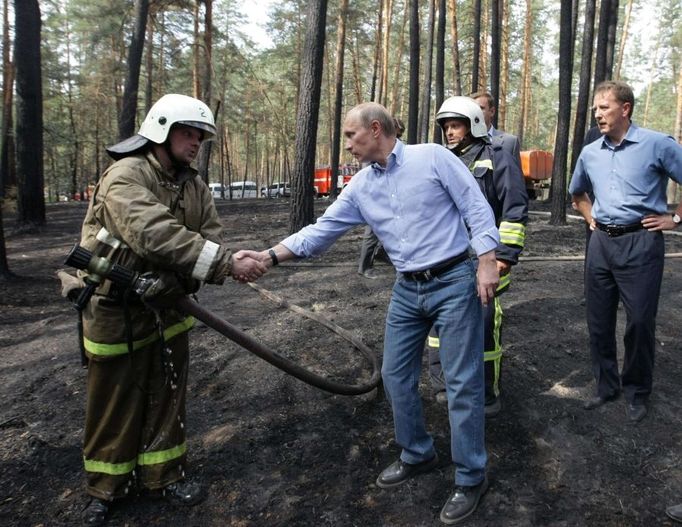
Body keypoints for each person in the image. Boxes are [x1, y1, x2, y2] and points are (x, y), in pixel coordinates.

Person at [244, 102, 500, 525]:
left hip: (455, 280)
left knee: (461, 383)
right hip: (407, 289)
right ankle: (418, 452)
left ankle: (471, 476)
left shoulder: (432, 158)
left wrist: (488, 260)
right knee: (396, 376)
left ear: (375, 129)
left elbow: (475, 206)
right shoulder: (361, 186)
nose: (347, 145)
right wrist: (270, 256)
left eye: (350, 135)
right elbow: (321, 231)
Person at [75, 94, 266, 525]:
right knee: (113, 403)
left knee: (168, 394)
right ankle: (106, 487)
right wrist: (222, 264)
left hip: (168, 307)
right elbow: (152, 232)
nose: (196, 142)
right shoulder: (125, 176)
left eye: (200, 135)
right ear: (160, 129)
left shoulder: (193, 185)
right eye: (187, 132)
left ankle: (165, 475)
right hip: (114, 309)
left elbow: (209, 234)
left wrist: (184, 279)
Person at [569, 80, 682, 424]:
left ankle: (637, 391)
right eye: (595, 109)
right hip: (601, 245)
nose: (598, 114)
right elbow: (578, 193)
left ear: (626, 109)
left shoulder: (657, 145)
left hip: (642, 243)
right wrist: (592, 221)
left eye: (604, 108)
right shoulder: (590, 152)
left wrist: (675, 218)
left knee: (639, 322)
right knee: (599, 320)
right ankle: (606, 386)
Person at [427, 96, 528, 417]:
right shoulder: (441, 160)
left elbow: (514, 209)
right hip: (445, 259)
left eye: (455, 125)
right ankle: (443, 383)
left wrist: (504, 257)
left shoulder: (497, 156)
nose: (449, 132)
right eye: (445, 127)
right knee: (439, 325)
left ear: (473, 125)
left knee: (484, 326)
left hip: (485, 258)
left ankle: (485, 393)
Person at [356, 117, 404, 279]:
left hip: (392, 195)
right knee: (372, 233)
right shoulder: (374, 147)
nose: (398, 137)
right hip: (376, 195)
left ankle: (382, 254)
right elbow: (369, 174)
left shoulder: (393, 146)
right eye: (397, 133)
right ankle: (364, 267)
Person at [471, 90, 521, 166]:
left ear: (492, 111)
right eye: (473, 109)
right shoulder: (462, 142)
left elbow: (515, 175)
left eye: (481, 108)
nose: (476, 112)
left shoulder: (510, 142)